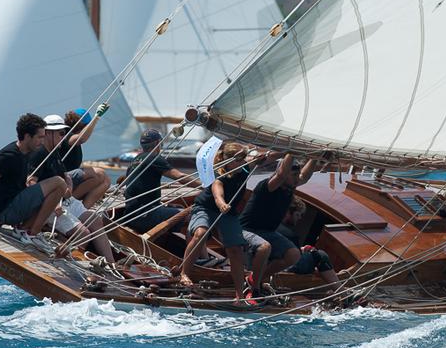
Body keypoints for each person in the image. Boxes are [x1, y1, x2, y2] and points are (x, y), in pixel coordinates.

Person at [28, 115, 114, 262]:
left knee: (95, 219)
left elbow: (65, 178)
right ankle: (64, 262)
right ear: (48, 133)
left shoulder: (54, 152)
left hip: (65, 200)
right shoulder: (39, 154)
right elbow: (30, 182)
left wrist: (67, 187)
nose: (64, 136)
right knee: (84, 233)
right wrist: (54, 203)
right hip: (51, 205)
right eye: (61, 133)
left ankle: (112, 264)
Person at [0, 114, 66, 243]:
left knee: (52, 189)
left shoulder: (27, 152)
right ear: (27, 136)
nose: (43, 141)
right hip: (3, 212)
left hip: (14, 206)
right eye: (40, 137)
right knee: (58, 183)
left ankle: (23, 229)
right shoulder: (8, 155)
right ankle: (31, 234)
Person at [180, 142, 256, 304]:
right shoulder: (217, 174)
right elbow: (217, 193)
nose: (242, 161)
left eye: (243, 158)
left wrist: (280, 153)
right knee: (201, 233)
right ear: (226, 159)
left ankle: (239, 296)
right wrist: (221, 203)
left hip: (228, 213)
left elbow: (267, 158)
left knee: (235, 250)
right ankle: (184, 273)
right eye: (238, 159)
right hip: (207, 208)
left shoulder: (244, 168)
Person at [239, 154, 318, 301]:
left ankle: (255, 278)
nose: (297, 178)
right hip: (246, 230)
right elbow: (281, 175)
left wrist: (316, 158)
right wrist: (291, 152)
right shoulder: (267, 185)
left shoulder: (289, 187)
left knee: (294, 255)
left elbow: (305, 177)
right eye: (294, 174)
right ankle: (255, 289)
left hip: (267, 232)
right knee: (264, 247)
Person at [122, 129, 198, 234]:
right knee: (193, 218)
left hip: (132, 215)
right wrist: (205, 185)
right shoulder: (154, 158)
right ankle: (192, 250)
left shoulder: (135, 159)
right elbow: (180, 176)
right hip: (146, 216)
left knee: (177, 209)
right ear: (158, 143)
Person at [277, 196, 338, 286]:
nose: (300, 218)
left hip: (271, 261)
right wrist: (311, 251)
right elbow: (295, 258)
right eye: (298, 214)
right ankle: (340, 290)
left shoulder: (272, 224)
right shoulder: (290, 235)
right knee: (320, 255)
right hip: (282, 269)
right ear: (288, 212)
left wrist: (302, 249)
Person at [60, 104, 111, 209]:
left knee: (106, 180)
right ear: (83, 126)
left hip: (70, 181)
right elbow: (80, 138)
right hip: (61, 181)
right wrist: (97, 117)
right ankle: (67, 204)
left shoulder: (74, 140)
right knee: (98, 173)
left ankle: (81, 210)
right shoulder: (66, 135)